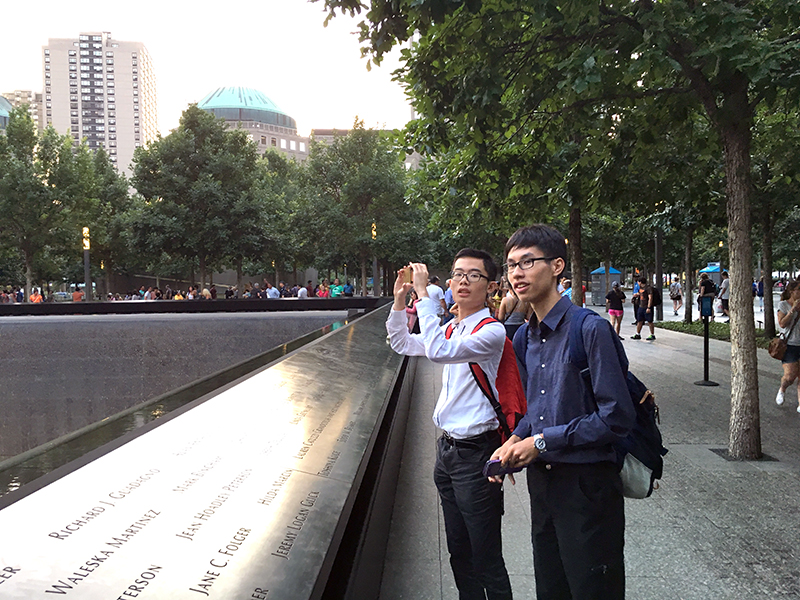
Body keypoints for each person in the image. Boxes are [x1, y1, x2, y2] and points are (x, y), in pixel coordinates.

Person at [490, 224, 634, 600]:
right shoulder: (523, 335)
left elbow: (616, 416)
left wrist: (541, 441)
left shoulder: (591, 330)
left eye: (527, 262)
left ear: (557, 266)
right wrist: (515, 440)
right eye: (511, 266)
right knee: (551, 587)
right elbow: (533, 411)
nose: (517, 273)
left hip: (587, 487)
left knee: (592, 588)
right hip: (544, 484)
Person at [386, 249, 513, 600]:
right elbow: (402, 343)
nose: (462, 282)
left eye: (474, 275)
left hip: (478, 457)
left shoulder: (492, 333)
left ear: (491, 286)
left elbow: (438, 350)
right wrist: (400, 303)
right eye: (457, 274)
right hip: (447, 453)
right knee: (459, 552)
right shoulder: (453, 327)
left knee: (487, 557)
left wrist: (424, 295)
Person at [776, 281, 800, 411]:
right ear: (791, 291)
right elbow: (782, 324)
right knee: (790, 375)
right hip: (790, 344)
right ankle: (782, 388)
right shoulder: (783, 305)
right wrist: (793, 310)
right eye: (798, 289)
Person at [631, 276, 656, 340]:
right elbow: (640, 294)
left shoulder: (648, 288)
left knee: (650, 321)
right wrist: (636, 295)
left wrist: (649, 307)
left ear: (640, 282)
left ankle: (652, 334)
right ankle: (638, 334)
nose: (637, 283)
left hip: (647, 307)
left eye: (638, 282)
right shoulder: (640, 288)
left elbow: (650, 298)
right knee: (639, 320)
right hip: (641, 306)